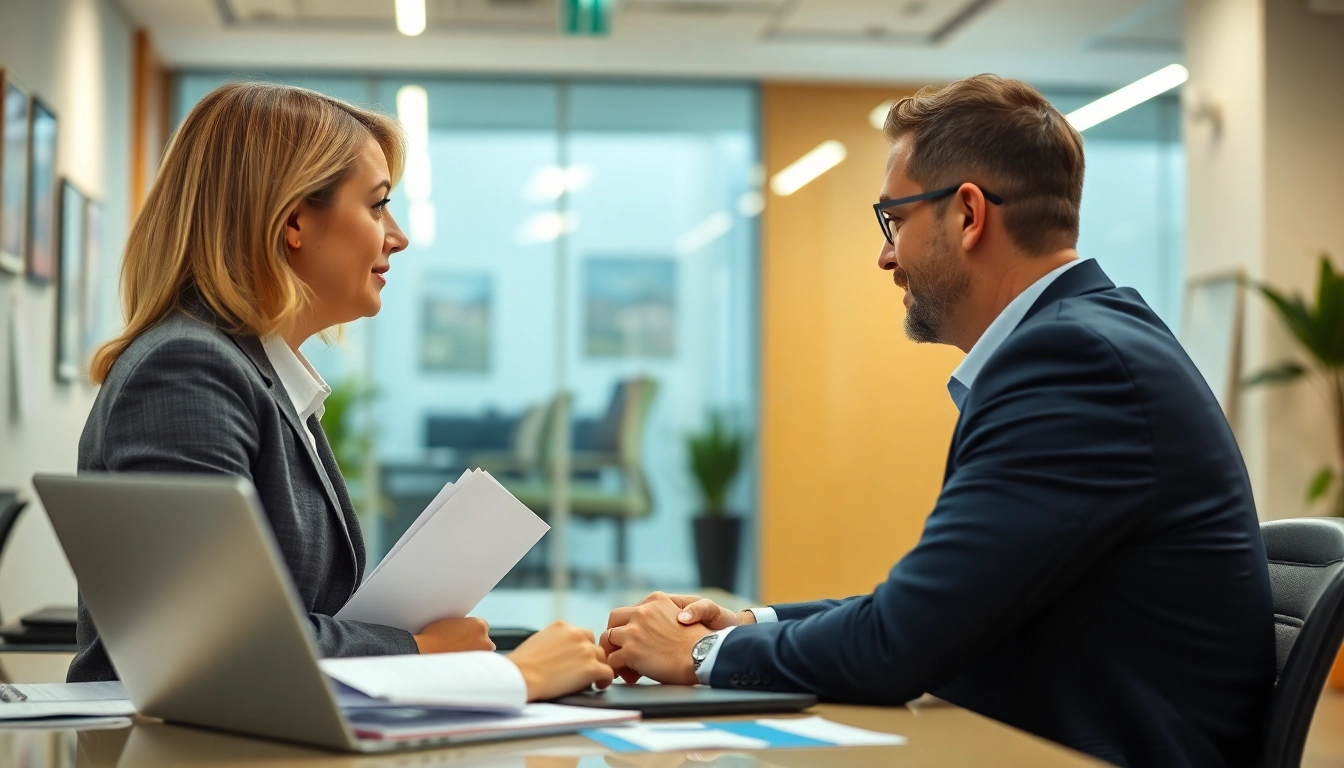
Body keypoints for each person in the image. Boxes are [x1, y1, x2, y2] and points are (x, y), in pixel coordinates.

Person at [601, 74, 1275, 768]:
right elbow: (941, 604)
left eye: (894, 219)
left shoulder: (1073, 362)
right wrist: (747, 623)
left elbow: (902, 644)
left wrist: (702, 652)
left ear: (968, 214)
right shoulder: (1086, 340)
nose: (886, 255)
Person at [70, 82, 614, 702]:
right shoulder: (187, 367)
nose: (397, 236)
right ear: (294, 220)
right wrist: (447, 660)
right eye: (378, 206)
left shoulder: (260, 374)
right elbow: (213, 645)